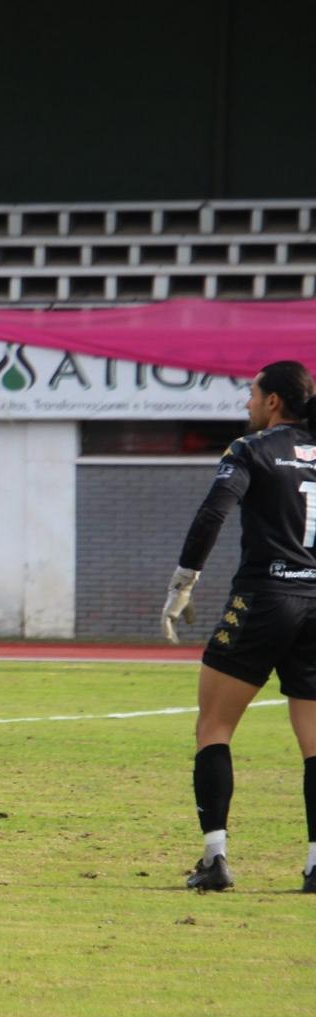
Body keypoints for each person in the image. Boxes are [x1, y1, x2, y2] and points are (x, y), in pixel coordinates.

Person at [161, 360, 316, 894]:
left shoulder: (251, 450)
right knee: (315, 742)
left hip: (264, 597)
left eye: (252, 393)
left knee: (214, 727)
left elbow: (212, 514)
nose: (247, 402)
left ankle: (215, 859)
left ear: (274, 401)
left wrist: (183, 583)